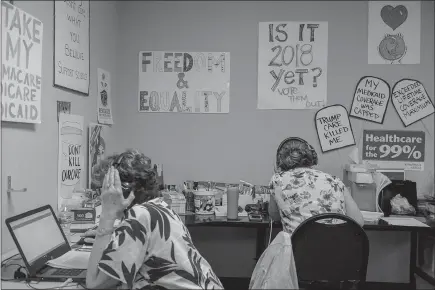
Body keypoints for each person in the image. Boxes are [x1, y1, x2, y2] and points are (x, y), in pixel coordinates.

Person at [83, 149, 223, 289]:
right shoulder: (159, 206)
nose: (101, 197)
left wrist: (107, 217)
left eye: (103, 190)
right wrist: (117, 235)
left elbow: (94, 283)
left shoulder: (138, 217)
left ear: (122, 189)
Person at [268, 137, 364, 234]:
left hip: (299, 247)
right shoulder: (334, 180)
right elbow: (358, 221)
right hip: (337, 246)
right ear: (312, 158)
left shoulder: (277, 180)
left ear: (280, 162)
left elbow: (275, 216)